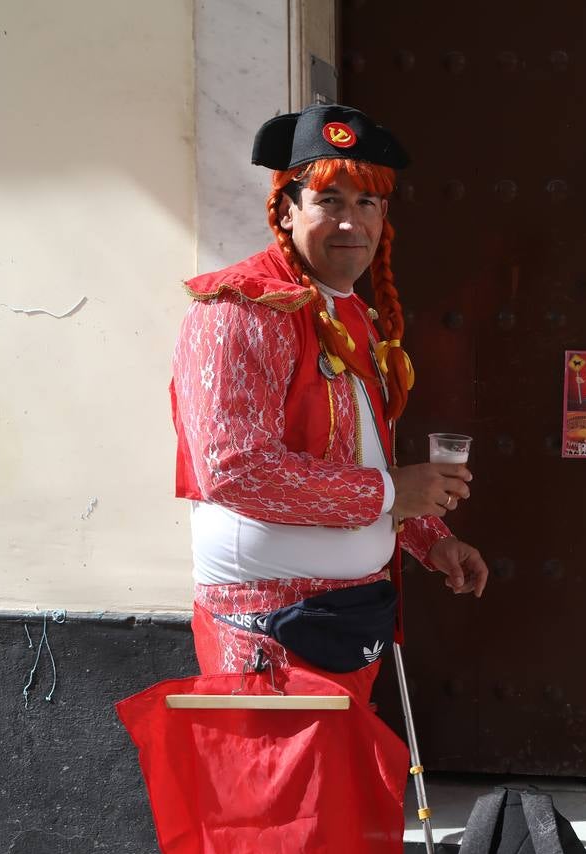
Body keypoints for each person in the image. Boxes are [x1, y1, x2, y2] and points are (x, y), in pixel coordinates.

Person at [171, 104, 488, 704]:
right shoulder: (240, 307)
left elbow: (363, 457)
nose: (350, 221)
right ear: (287, 210)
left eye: (366, 202)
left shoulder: (353, 314)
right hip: (265, 629)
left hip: (350, 618)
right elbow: (235, 471)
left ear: (384, 216)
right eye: (329, 201)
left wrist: (430, 538)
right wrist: (391, 492)